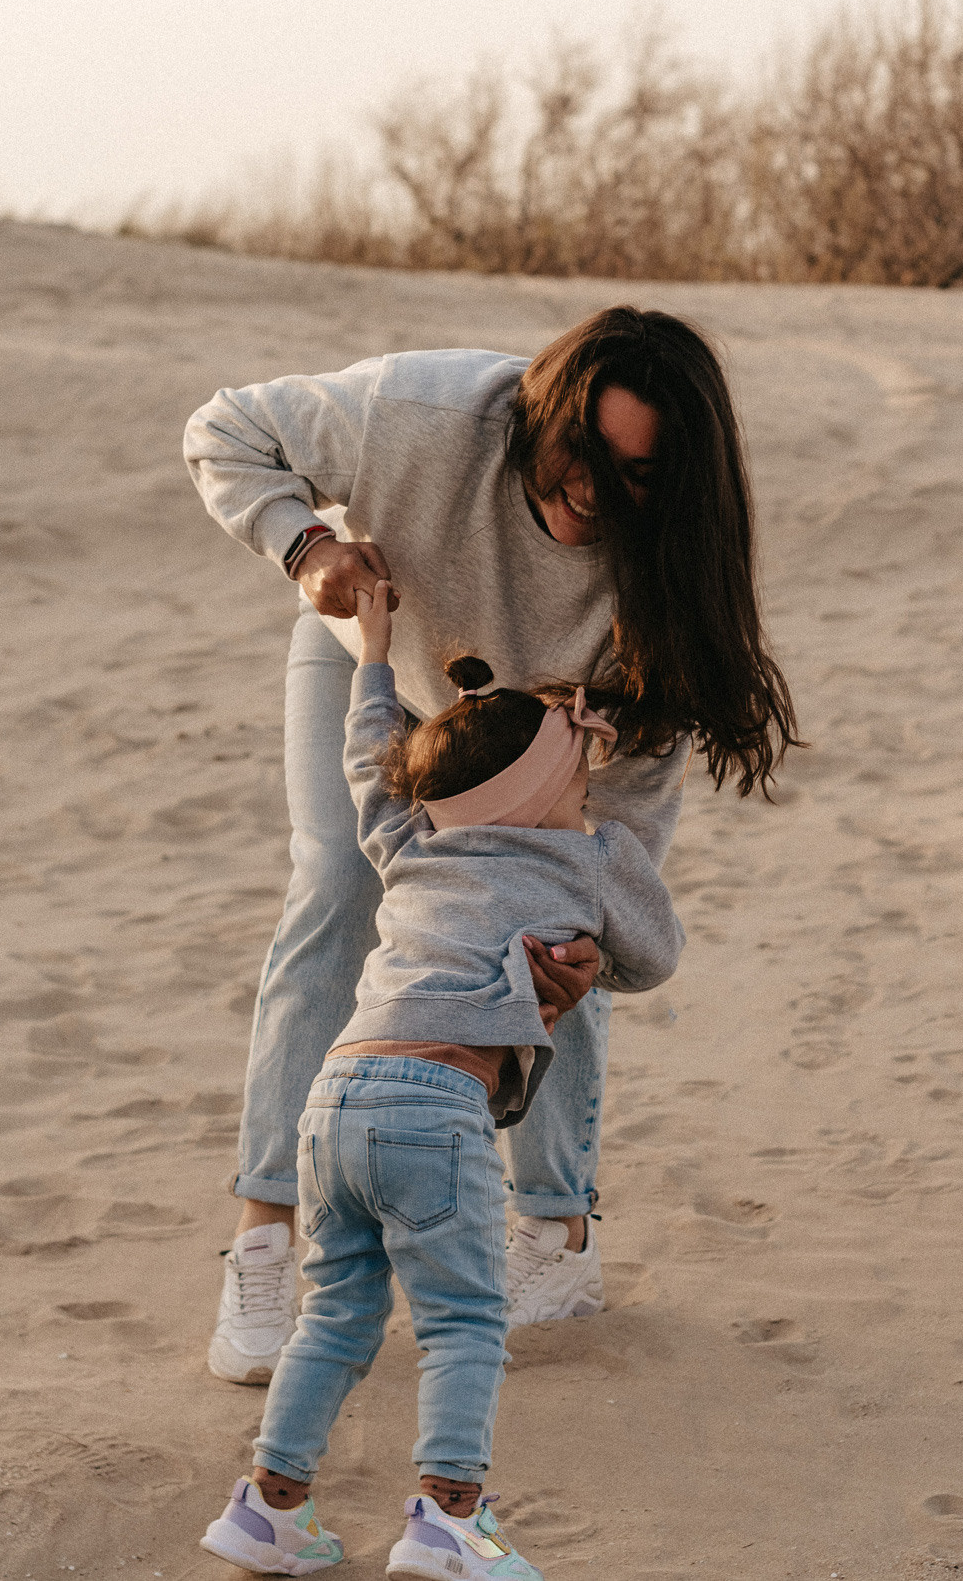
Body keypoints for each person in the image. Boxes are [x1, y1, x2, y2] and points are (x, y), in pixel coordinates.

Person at [184, 306, 795, 1377]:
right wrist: (307, 545)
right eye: (579, 451)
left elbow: (629, 827)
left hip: (545, 729)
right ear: (538, 410)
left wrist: (590, 939)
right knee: (336, 887)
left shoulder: (674, 569)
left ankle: (553, 1236)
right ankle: (267, 1237)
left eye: (636, 475)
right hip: (379, 658)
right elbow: (224, 429)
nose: (596, 491)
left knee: (559, 924)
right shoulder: (418, 415)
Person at [200, 583, 684, 1579]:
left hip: (333, 1103)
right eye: (578, 779)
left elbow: (367, 756)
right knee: (462, 1321)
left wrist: (374, 652)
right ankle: (446, 1516)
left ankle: (270, 1507)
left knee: (335, 1317)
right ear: (541, 794)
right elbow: (654, 954)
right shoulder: (576, 859)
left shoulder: (407, 839)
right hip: (436, 1112)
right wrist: (607, 841)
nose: (587, 792)